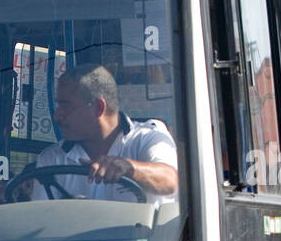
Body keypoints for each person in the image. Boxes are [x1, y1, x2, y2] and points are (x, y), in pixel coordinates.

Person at [29, 64, 178, 202]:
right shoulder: (52, 159)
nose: (57, 115)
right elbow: (39, 222)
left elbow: (170, 180)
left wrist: (130, 169)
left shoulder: (147, 137)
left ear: (99, 108)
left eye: (66, 106)